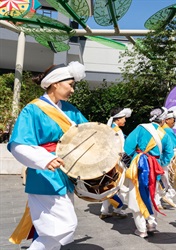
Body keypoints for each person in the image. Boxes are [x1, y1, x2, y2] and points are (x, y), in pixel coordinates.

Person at [8, 61, 88, 249]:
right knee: (64, 226)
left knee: (55, 229)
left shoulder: (70, 110)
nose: (72, 90)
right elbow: (19, 144)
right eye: (70, 85)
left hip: (65, 172)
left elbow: (87, 134)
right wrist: (45, 159)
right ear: (55, 83)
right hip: (45, 172)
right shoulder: (33, 109)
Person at [124, 107, 174, 238]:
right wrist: (159, 163)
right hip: (154, 168)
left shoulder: (141, 128)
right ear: (162, 120)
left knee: (137, 194)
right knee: (153, 194)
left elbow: (128, 146)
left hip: (138, 165)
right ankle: (152, 223)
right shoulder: (165, 134)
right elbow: (169, 154)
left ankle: (141, 229)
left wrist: (130, 157)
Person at [99, 107, 132, 219]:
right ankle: (118, 209)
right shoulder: (117, 131)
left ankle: (105, 210)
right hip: (118, 162)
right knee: (122, 187)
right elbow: (122, 149)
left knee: (108, 185)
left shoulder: (108, 129)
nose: (125, 120)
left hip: (108, 162)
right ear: (117, 119)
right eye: (123, 118)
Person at [158, 110, 176, 208]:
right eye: (173, 120)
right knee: (171, 180)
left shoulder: (160, 128)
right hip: (166, 158)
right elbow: (175, 145)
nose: (174, 123)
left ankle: (158, 201)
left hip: (159, 158)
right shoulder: (167, 130)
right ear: (167, 120)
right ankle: (168, 195)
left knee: (160, 180)